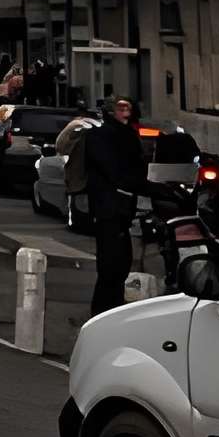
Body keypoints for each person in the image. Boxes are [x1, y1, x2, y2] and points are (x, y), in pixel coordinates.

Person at [82, 94, 149, 314]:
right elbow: (115, 171)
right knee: (111, 266)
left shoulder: (128, 136)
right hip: (108, 210)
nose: (126, 114)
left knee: (120, 266)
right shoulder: (101, 137)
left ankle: (111, 310)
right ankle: (102, 313)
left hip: (121, 209)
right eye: (121, 109)